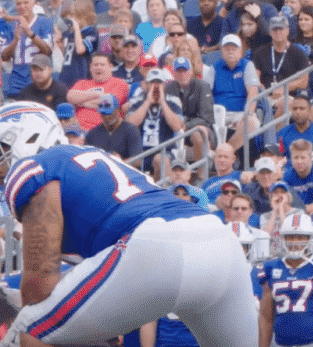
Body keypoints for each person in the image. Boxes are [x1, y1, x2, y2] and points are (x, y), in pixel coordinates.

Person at [0, 102, 258, 347]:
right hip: (220, 242)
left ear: (26, 138)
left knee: (30, 328)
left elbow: (39, 288)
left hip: (156, 246)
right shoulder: (96, 155)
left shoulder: (34, 167)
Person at [258, 211, 313, 347]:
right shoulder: (271, 267)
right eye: (290, 237)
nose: (295, 242)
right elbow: (265, 317)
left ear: (311, 238)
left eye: (301, 237)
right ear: (282, 238)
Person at [67, 53, 130, 131]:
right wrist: (97, 94)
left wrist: (81, 102)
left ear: (111, 67)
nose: (98, 67)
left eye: (102, 65)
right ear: (90, 68)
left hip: (104, 131)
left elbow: (109, 103)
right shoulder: (82, 83)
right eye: (95, 65)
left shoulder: (120, 84)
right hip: (78, 130)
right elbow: (70, 97)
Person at [84, 93, 143, 164]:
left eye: (109, 113)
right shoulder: (93, 134)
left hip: (124, 172)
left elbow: (137, 161)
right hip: (100, 171)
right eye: (103, 113)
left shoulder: (131, 130)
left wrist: (120, 162)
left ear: (117, 110)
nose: (106, 117)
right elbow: (85, 159)